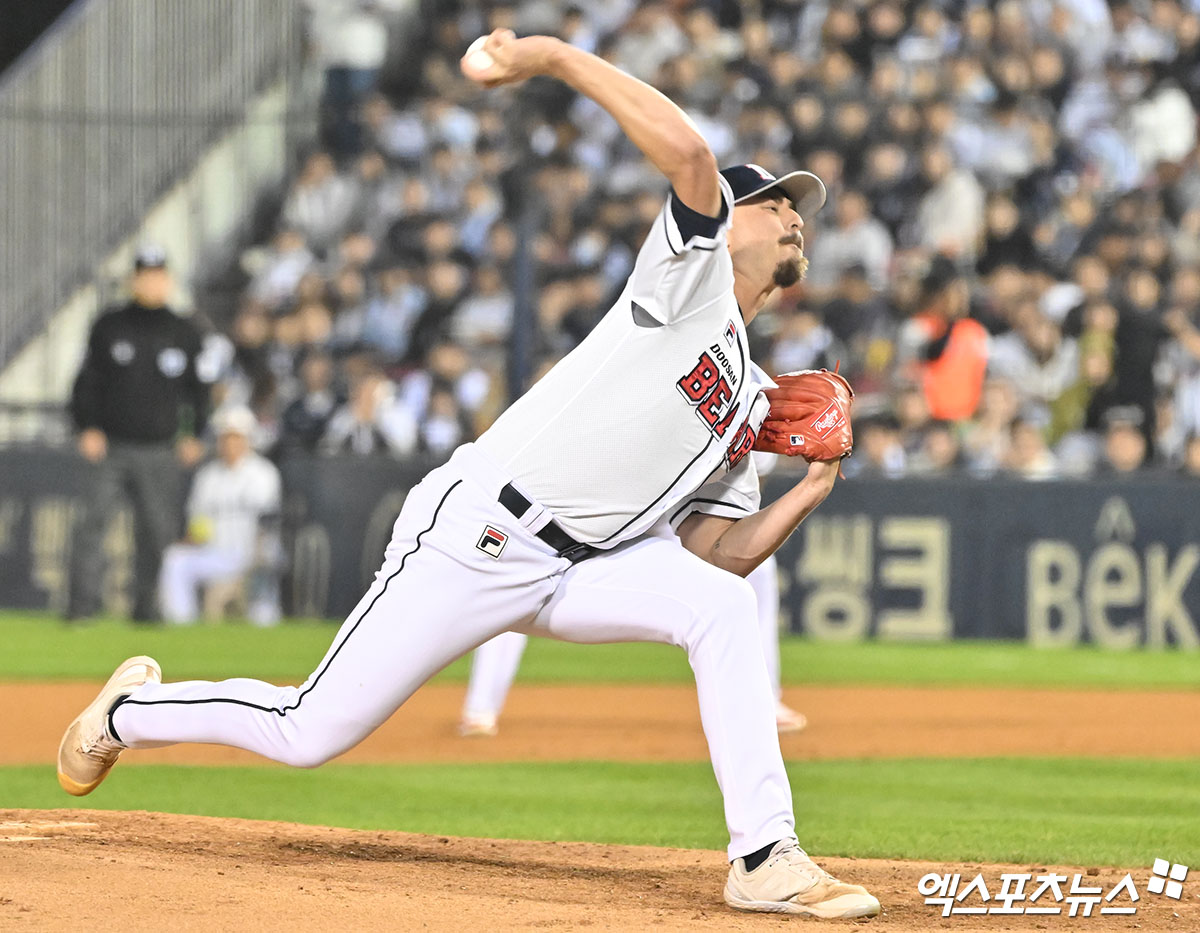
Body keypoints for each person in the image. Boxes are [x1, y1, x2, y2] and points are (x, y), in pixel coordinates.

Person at [57, 32, 879, 920]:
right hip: (481, 533)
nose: (796, 215)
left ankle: (764, 856)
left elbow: (717, 558)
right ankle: (127, 714)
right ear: (730, 220)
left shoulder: (754, 398)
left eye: (799, 209)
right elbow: (688, 154)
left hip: (590, 566)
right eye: (772, 201)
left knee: (722, 609)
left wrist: (808, 491)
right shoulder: (688, 284)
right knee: (308, 730)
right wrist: (556, 56)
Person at [460, 453, 808, 737]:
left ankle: (765, 700)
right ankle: (480, 708)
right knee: (522, 576)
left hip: (673, 520)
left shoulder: (746, 400)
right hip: (605, 506)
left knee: (759, 571)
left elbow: (748, 490)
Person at [66, 246, 210, 622]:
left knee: (156, 532)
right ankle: (82, 608)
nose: (151, 282)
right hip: (111, 445)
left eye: (158, 275)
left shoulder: (184, 331)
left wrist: (195, 432)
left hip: (160, 448)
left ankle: (146, 608)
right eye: (145, 275)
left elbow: (200, 390)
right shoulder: (109, 325)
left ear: (169, 280)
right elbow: (86, 383)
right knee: (91, 524)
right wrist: (87, 427)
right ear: (133, 280)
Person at [158, 407, 283, 626]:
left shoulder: (264, 473)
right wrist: (191, 540)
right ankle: (182, 624)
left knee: (270, 555)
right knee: (175, 559)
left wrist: (259, 552)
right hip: (217, 552)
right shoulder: (208, 475)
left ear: (247, 439)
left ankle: (265, 612)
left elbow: (269, 522)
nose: (230, 444)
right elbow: (197, 522)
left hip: (253, 550)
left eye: (235, 437)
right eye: (225, 438)